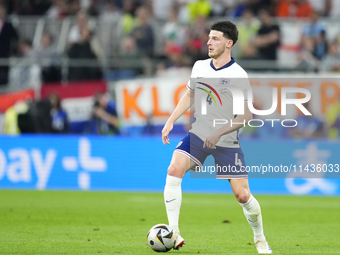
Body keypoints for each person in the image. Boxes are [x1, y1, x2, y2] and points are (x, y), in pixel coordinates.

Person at [161, 20, 272, 254]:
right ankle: (173, 232)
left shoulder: (238, 75)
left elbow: (247, 115)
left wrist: (219, 132)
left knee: (242, 196)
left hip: (226, 141)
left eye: (215, 38)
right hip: (199, 134)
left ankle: (260, 238)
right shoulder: (199, 66)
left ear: (229, 43)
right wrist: (171, 120)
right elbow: (190, 95)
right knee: (174, 169)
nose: (209, 42)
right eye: (209, 37)